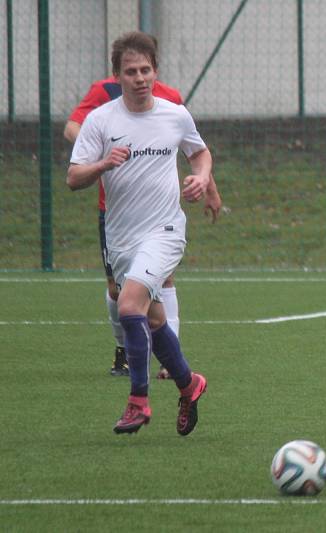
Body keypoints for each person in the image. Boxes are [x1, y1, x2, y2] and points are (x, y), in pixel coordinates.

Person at [67, 31, 209, 435]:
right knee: (153, 319)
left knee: (129, 305)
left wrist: (201, 177)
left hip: (164, 230)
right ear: (117, 76)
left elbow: (199, 151)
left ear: (155, 71)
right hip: (122, 238)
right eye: (131, 71)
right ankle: (189, 384)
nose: (140, 77)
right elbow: (74, 177)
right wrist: (103, 165)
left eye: (146, 70)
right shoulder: (101, 120)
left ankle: (138, 401)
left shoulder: (173, 114)